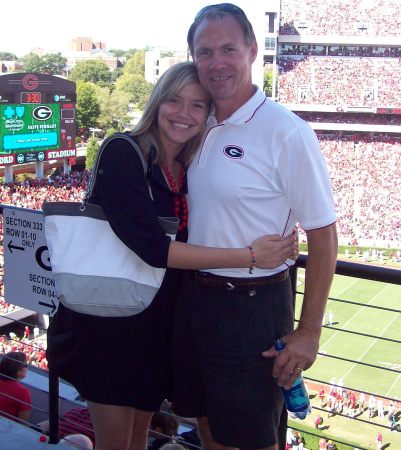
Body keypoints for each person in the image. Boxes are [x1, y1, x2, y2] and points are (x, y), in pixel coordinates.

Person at [46, 61, 297, 450]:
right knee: (116, 443)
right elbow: (152, 247)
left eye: (198, 105)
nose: (184, 113)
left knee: (137, 438)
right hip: (110, 322)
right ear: (157, 102)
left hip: (157, 324)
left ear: (208, 113)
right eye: (174, 100)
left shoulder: (187, 165)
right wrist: (248, 256)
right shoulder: (123, 151)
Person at [172, 4, 337, 450]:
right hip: (194, 299)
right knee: (207, 428)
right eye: (204, 51)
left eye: (228, 48)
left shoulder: (286, 131)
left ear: (252, 50)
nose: (216, 61)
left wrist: (309, 331)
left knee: (248, 441)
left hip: (251, 308)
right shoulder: (196, 122)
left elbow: (323, 235)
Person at [0, 351, 32, 424]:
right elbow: (23, 423)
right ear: (18, 370)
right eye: (26, 365)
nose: (27, 368)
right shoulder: (22, 392)